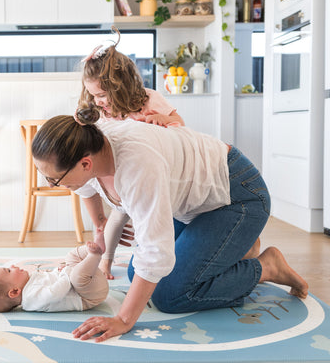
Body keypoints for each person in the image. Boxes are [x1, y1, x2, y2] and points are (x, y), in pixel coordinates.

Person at [31, 113, 308, 343]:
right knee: (134, 272)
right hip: (195, 205)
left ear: (85, 163)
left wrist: (123, 320)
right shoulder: (87, 141)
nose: (53, 184)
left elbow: (155, 253)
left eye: (55, 180)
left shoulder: (137, 166)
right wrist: (100, 223)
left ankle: (266, 267)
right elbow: (84, 186)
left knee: (169, 295)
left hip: (238, 196)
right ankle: (235, 246)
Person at [76, 27, 185, 279]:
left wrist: (159, 118)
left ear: (121, 87)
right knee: (114, 221)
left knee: (151, 226)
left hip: (151, 176)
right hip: (123, 184)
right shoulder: (101, 113)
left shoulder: (148, 99)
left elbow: (179, 123)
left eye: (102, 95)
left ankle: (152, 258)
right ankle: (106, 260)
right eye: (93, 96)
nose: (98, 101)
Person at [0, 230, 109, 313]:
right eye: (8, 270)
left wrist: (57, 271)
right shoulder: (30, 298)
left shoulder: (29, 285)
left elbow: (50, 279)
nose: (12, 265)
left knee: (71, 257)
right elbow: (55, 293)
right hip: (87, 297)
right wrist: (65, 273)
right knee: (76, 276)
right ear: (14, 291)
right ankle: (94, 256)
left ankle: (96, 248)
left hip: (85, 286)